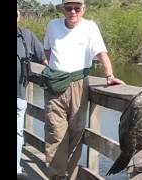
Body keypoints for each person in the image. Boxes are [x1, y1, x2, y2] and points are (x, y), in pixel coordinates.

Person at [43, 0, 125, 179]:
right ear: (62, 9)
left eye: (77, 8)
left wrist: (109, 75)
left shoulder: (90, 27)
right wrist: (53, 68)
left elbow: (102, 53)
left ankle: (70, 176)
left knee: (76, 132)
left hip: (79, 84)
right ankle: (57, 177)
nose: (73, 11)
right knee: (55, 133)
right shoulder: (52, 25)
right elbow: (47, 50)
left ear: (83, 9)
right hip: (55, 85)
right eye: (68, 8)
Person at [17, 6, 48, 180]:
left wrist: (61, 73)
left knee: (18, 132)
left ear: (18, 17)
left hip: (19, 93)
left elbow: (44, 58)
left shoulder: (26, 36)